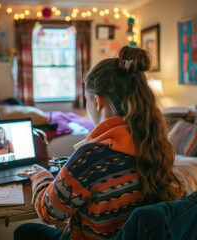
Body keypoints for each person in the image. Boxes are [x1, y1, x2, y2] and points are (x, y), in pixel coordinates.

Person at [15, 46, 184, 240]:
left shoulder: (90, 156)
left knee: (24, 231)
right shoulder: (155, 143)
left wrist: (40, 175)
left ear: (97, 101)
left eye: (86, 99)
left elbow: (50, 212)